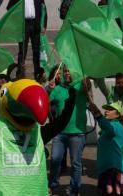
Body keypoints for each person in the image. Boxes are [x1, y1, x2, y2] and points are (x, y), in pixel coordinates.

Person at [48, 65, 90, 196]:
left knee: (76, 164)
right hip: (60, 133)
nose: (67, 73)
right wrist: (48, 88)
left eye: (69, 71)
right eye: (65, 71)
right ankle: (53, 184)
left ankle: (74, 190)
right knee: (55, 158)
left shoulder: (80, 86)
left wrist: (85, 79)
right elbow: (45, 99)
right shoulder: (58, 89)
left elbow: (87, 86)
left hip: (77, 133)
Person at [95, 73, 123, 191]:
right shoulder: (111, 92)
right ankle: (117, 183)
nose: (120, 85)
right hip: (113, 133)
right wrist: (94, 66)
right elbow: (100, 81)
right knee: (116, 158)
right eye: (118, 82)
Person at [88, 101, 123, 195]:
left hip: (114, 169)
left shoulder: (116, 126)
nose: (106, 111)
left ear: (117, 115)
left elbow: (108, 127)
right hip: (107, 169)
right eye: (106, 109)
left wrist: (98, 114)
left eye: (110, 109)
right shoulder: (109, 128)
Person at [6, 0, 46, 81]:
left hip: (35, 24)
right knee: (22, 51)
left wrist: (44, 24)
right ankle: (20, 73)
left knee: (36, 50)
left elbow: (44, 9)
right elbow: (9, 7)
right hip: (23, 25)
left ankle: (37, 73)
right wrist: (16, 20)